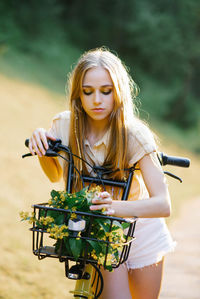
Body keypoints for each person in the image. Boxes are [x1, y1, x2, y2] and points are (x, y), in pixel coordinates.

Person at [28, 48, 175, 299]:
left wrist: (112, 207)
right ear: (78, 93)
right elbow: (54, 176)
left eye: (106, 91)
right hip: (100, 233)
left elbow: (163, 204)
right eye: (88, 91)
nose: (97, 100)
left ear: (118, 92)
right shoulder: (65, 124)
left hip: (141, 230)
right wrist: (43, 146)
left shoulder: (134, 134)